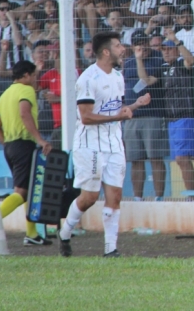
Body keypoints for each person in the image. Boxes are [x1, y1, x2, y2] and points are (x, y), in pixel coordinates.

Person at [58, 32, 152, 258]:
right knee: (89, 198)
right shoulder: (88, 79)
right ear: (106, 52)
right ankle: (65, 232)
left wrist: (135, 105)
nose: (123, 49)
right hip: (89, 146)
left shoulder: (118, 76)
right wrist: (119, 116)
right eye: (118, 46)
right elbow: (87, 117)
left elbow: (116, 110)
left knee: (115, 196)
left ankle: (111, 249)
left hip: (115, 144)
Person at [0, 60, 53, 246]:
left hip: (10, 146)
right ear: (25, 75)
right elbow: (25, 114)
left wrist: (9, 144)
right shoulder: (26, 90)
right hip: (23, 144)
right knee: (21, 191)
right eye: (34, 75)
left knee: (28, 189)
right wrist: (40, 139)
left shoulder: (6, 94)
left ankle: (32, 234)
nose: (35, 79)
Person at [123, 31, 167, 201]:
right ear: (133, 46)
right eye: (138, 44)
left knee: (155, 157)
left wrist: (139, 59)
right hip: (132, 117)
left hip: (152, 115)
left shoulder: (158, 59)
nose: (142, 47)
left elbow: (146, 81)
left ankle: (159, 197)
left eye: (144, 43)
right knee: (136, 159)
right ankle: (137, 198)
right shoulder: (127, 63)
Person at [160, 35, 194, 192]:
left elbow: (191, 60)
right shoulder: (164, 69)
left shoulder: (182, 64)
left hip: (185, 117)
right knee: (179, 160)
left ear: (177, 50)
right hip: (171, 120)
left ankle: (192, 195)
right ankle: (190, 193)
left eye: (170, 49)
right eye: (163, 49)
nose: (166, 52)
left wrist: (177, 41)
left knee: (183, 158)